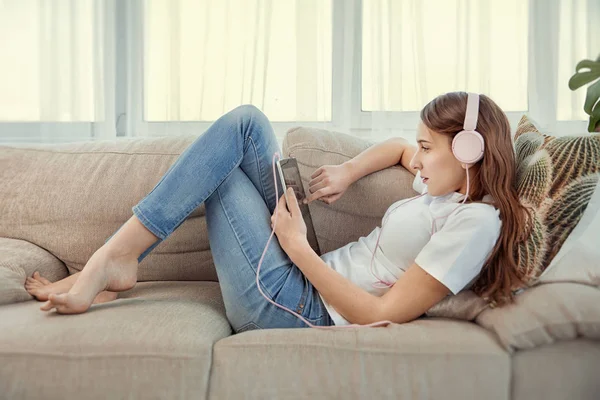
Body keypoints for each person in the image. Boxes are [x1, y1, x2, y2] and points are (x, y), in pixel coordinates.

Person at [26, 92, 532, 331]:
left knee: (222, 169)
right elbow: (399, 147)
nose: (416, 161)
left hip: (297, 309)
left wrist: (294, 246)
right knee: (246, 125)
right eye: (421, 149)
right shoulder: (444, 186)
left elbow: (379, 314)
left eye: (429, 148)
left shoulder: (474, 224)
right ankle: (116, 258)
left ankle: (110, 262)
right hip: (304, 270)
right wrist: (349, 171)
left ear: (470, 150)